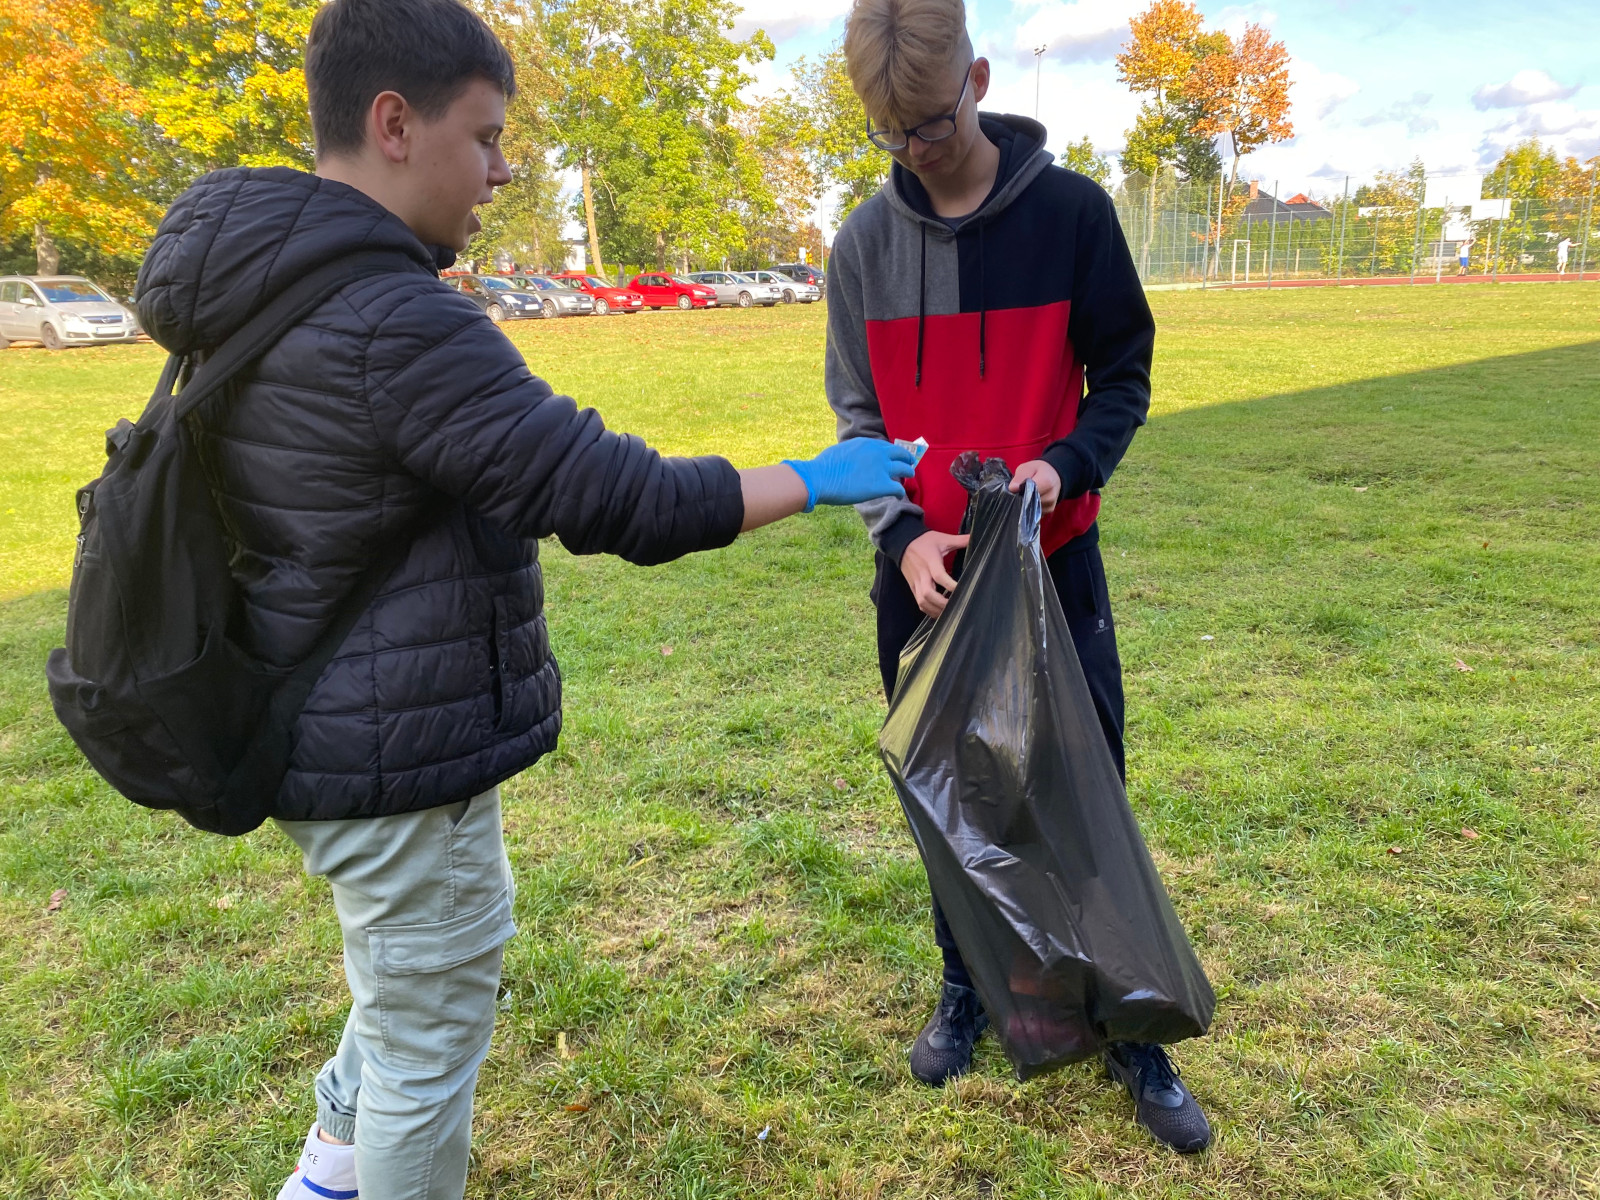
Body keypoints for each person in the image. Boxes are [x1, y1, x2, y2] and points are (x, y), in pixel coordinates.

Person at [132, 3, 915, 1198]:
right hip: (388, 750)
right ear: (394, 124)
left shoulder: (267, 280)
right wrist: (812, 476)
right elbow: (613, 496)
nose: (502, 170)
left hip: (325, 717)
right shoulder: (390, 317)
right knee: (426, 1036)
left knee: (410, 978)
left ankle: (330, 1171)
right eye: (486, 136)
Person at [824, 0, 1212, 1155]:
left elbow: (1123, 376)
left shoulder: (1074, 216)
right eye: (889, 132)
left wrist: (1064, 466)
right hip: (928, 583)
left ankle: (1125, 1020)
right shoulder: (862, 248)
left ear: (979, 80)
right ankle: (971, 988)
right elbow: (857, 417)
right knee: (953, 800)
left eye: (931, 123)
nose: (913, 150)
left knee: (1081, 796)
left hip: (1052, 571)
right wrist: (901, 533)